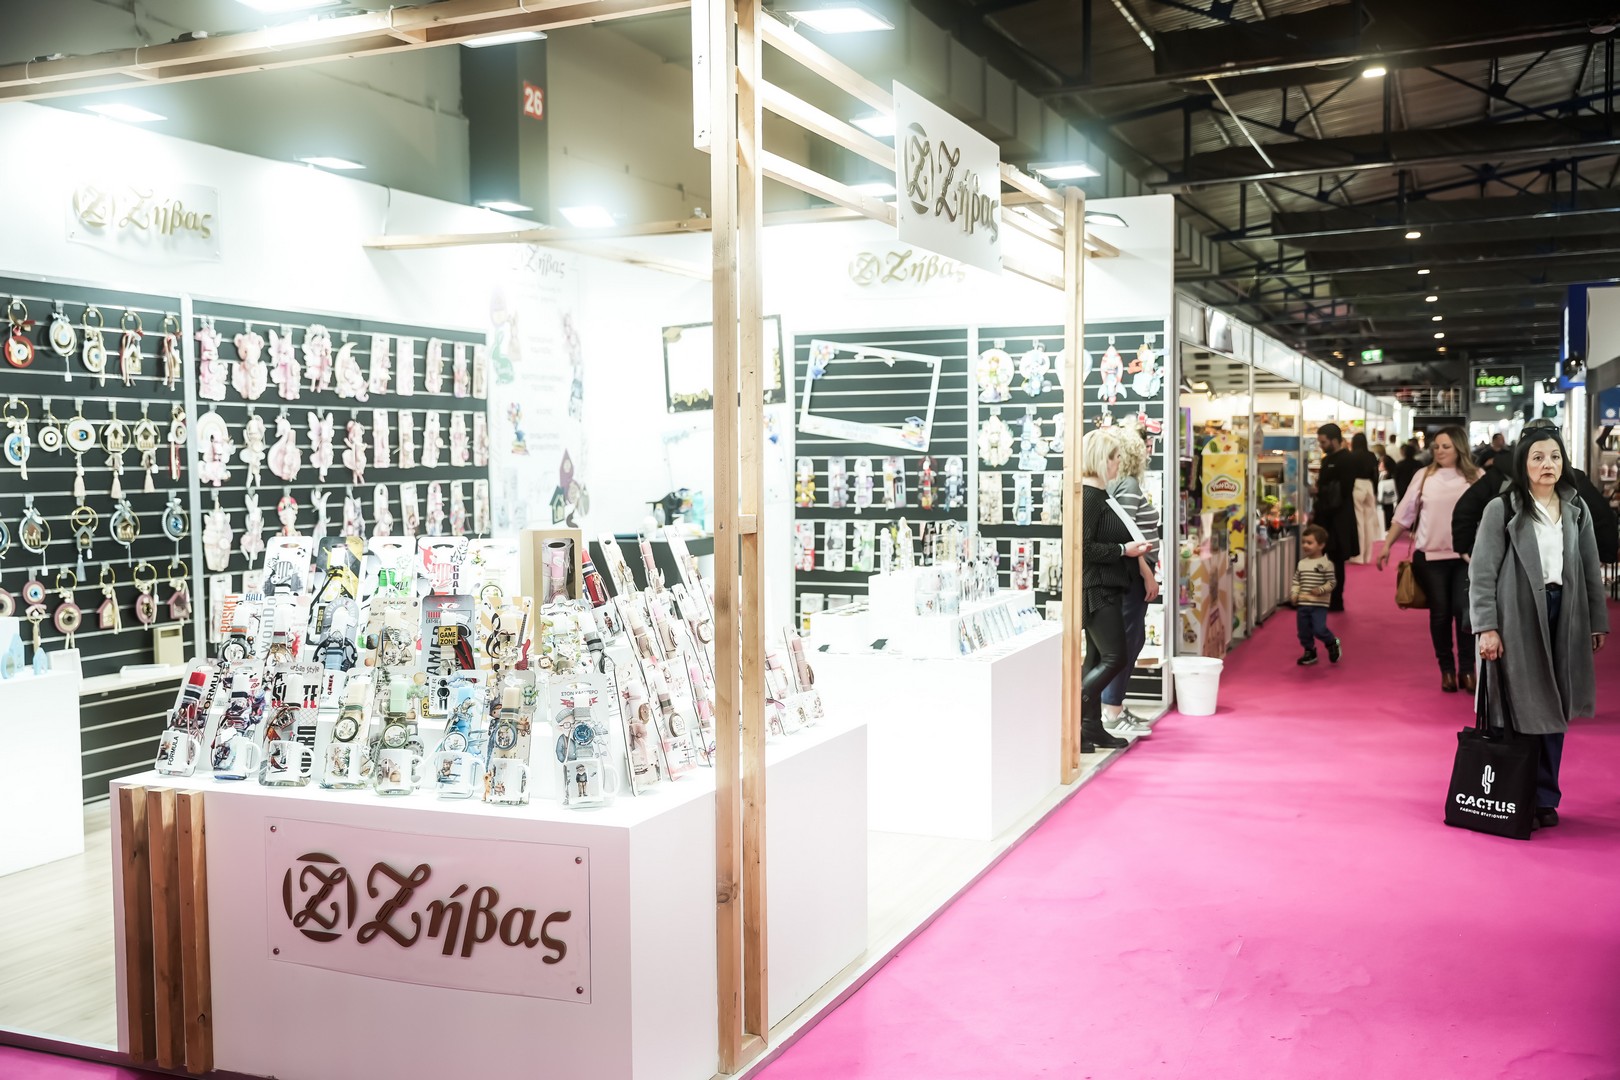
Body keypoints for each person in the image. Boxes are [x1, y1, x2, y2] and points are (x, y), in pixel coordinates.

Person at [1470, 426, 1609, 830]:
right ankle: (1517, 795)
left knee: (1556, 707)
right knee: (1521, 706)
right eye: (1538, 457)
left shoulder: (1575, 507)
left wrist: (1596, 621)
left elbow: (1590, 568)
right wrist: (1487, 627)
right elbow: (1482, 573)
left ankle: (1545, 798)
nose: (1548, 464)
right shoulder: (1502, 509)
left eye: (1555, 456)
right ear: (1523, 464)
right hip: (1517, 614)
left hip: (1565, 612)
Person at [1376, 426, 1481, 692]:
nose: (1439, 451)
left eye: (1446, 446)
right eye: (1436, 447)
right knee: (1440, 613)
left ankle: (1467, 670)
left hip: (1467, 558)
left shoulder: (1476, 477)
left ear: (1459, 448)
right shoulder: (1424, 476)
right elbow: (1404, 514)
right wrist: (1387, 545)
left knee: (1464, 612)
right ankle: (1447, 670)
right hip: (1430, 557)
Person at [1080, 429, 1154, 754]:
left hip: (1107, 585)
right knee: (1114, 656)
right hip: (1098, 588)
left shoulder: (1101, 495)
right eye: (1115, 457)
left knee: (1098, 657)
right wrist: (1124, 550)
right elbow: (1083, 548)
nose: (1119, 463)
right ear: (1102, 459)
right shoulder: (1089, 497)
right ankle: (1074, 711)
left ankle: (1089, 728)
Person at [1452, 419, 1618, 564]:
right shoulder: (1573, 479)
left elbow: (1465, 508)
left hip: (1513, 566)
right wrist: (1602, 556)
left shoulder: (1500, 475)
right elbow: (1602, 517)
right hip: (1562, 568)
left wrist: (1468, 549)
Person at [1101, 427, 1161, 740]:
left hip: (1130, 573)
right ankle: (1111, 709)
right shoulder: (1128, 485)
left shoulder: (1118, 484)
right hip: (1132, 575)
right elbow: (1126, 535)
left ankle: (1114, 706)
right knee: (1128, 638)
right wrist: (1147, 573)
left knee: (1129, 638)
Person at [1311, 423, 1360, 611]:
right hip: (1326, 516)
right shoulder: (1328, 459)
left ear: (1334, 440)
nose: (1321, 445)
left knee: (1336, 561)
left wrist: (1320, 491)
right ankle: (1327, 597)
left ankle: (1336, 600)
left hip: (1338, 519)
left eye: (1323, 442)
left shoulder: (1346, 460)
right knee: (1326, 560)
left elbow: (1344, 490)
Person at [1292, 524, 1341, 666]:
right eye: (1303, 542)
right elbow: (1296, 581)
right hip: (1303, 603)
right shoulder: (1302, 564)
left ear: (1321, 545)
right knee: (1303, 631)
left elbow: (1331, 582)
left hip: (1319, 604)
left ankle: (1332, 642)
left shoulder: (1326, 564)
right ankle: (1309, 651)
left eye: (1309, 542)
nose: (1305, 545)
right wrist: (1294, 593)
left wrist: (1320, 589)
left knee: (1319, 629)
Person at [1348, 432, 1383, 564]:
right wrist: (1375, 490)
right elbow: (1376, 474)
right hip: (1369, 486)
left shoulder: (1352, 456)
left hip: (1357, 485)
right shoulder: (1371, 455)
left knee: (1358, 522)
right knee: (1368, 521)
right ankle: (1367, 556)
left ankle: (1358, 555)